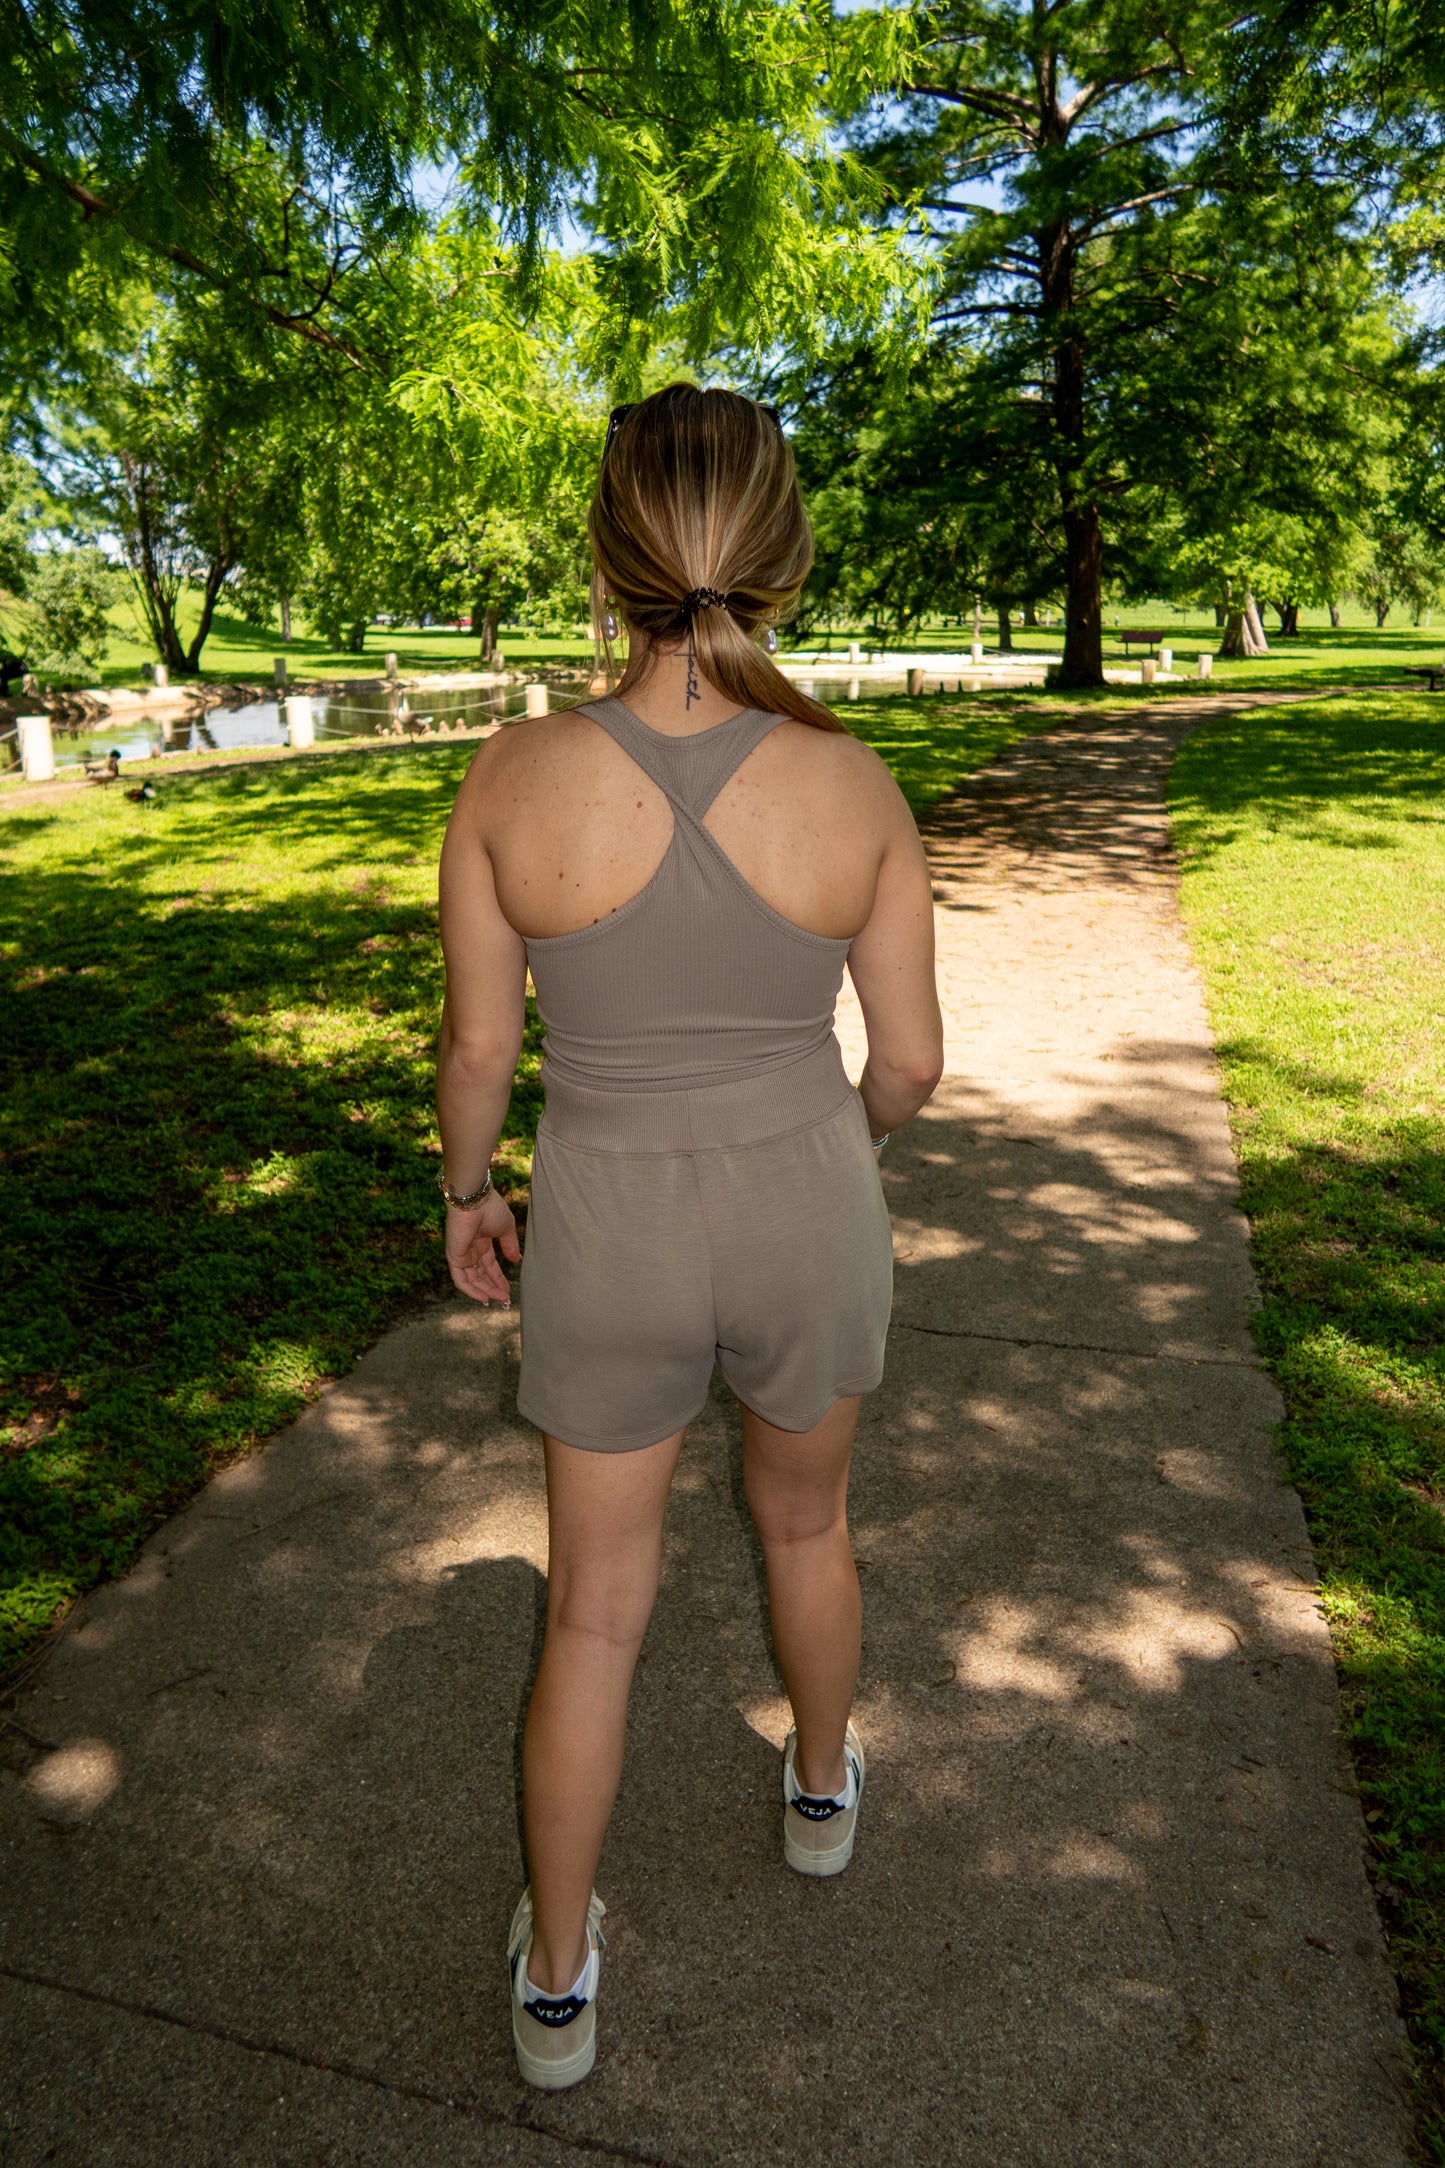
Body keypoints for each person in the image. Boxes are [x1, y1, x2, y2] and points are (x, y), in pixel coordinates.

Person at [435, 384, 943, 2091]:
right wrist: (824, 1155)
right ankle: (816, 1791)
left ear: (609, 547)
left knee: (592, 1611)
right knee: (806, 1530)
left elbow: (480, 1058)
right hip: (804, 1206)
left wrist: (466, 1194)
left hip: (611, 1224)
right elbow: (914, 1064)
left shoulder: (510, 777)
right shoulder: (853, 781)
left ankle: (562, 1975)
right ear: (783, 553)